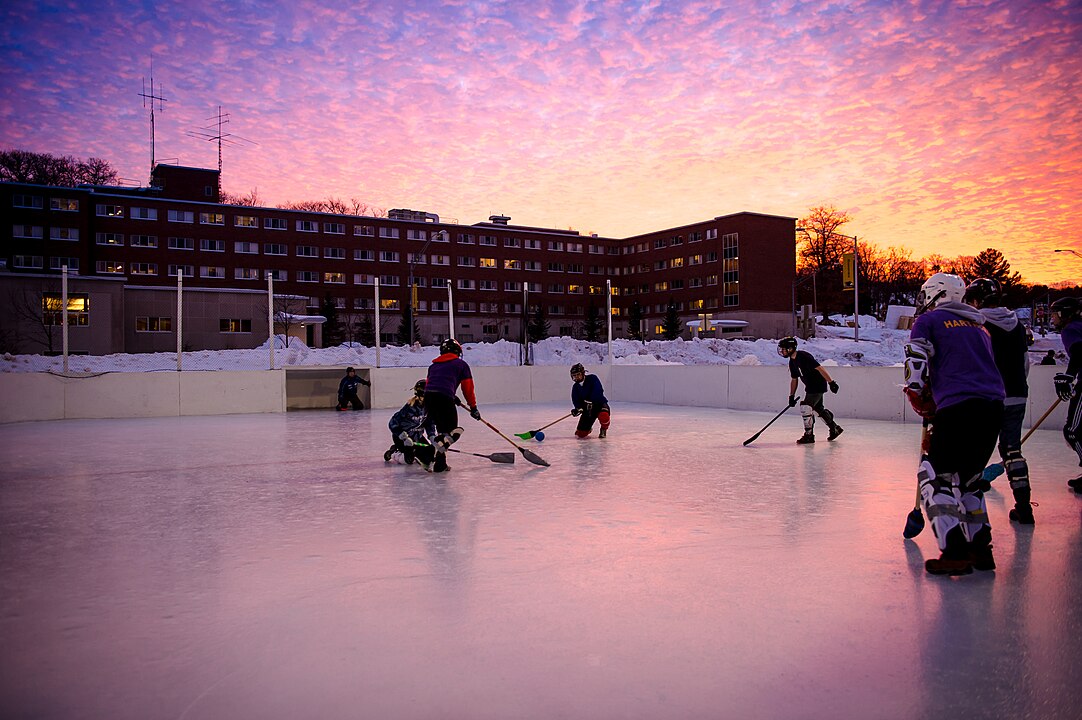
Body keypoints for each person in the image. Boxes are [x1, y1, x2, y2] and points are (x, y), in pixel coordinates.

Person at [904, 273, 1005, 575]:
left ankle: (954, 550)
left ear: (937, 294)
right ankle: (980, 551)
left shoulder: (930, 320)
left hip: (959, 406)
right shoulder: (979, 327)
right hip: (992, 406)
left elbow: (916, 359)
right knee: (970, 479)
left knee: (935, 477)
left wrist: (917, 392)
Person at [964, 278, 1034, 524]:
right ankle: (1024, 507)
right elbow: (1025, 363)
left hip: (988, 396)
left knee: (974, 450)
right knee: (1012, 450)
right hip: (1017, 393)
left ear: (975, 300)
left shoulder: (976, 323)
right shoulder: (1017, 324)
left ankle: (970, 516)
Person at [424, 338, 481, 472]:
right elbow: (468, 388)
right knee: (453, 432)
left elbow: (431, 385)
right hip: (444, 397)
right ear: (457, 351)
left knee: (442, 431)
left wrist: (451, 395)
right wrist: (473, 407)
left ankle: (440, 462)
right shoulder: (461, 365)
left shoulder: (433, 366)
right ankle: (439, 444)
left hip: (429, 398)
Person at [777, 337, 842, 444]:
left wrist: (831, 382)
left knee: (806, 407)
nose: (782, 351)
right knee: (817, 409)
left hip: (817, 385)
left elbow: (820, 368)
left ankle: (809, 436)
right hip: (810, 387)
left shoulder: (804, 356)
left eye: (784, 349)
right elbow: (794, 379)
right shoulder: (792, 362)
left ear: (791, 348)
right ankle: (835, 428)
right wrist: (791, 396)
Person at [1050, 297, 1082, 493]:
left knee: (1073, 431)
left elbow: (1079, 351)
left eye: (1055, 313)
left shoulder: (1070, 329)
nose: (1052, 317)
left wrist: (1069, 376)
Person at [384, 379, 437, 466]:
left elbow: (429, 423)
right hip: (402, 438)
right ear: (419, 395)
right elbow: (392, 423)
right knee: (409, 460)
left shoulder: (428, 407)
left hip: (417, 437)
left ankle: (414, 452)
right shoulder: (409, 408)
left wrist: (432, 436)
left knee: (429, 457)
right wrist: (403, 437)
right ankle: (394, 452)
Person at [570, 363, 611, 438]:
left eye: (578, 374)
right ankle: (588, 428)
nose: (576, 377)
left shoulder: (593, 378)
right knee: (581, 434)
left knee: (604, 416)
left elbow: (598, 391)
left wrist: (591, 401)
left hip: (599, 405)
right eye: (574, 375)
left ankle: (603, 429)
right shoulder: (575, 387)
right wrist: (578, 408)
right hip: (588, 409)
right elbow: (576, 400)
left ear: (583, 373)